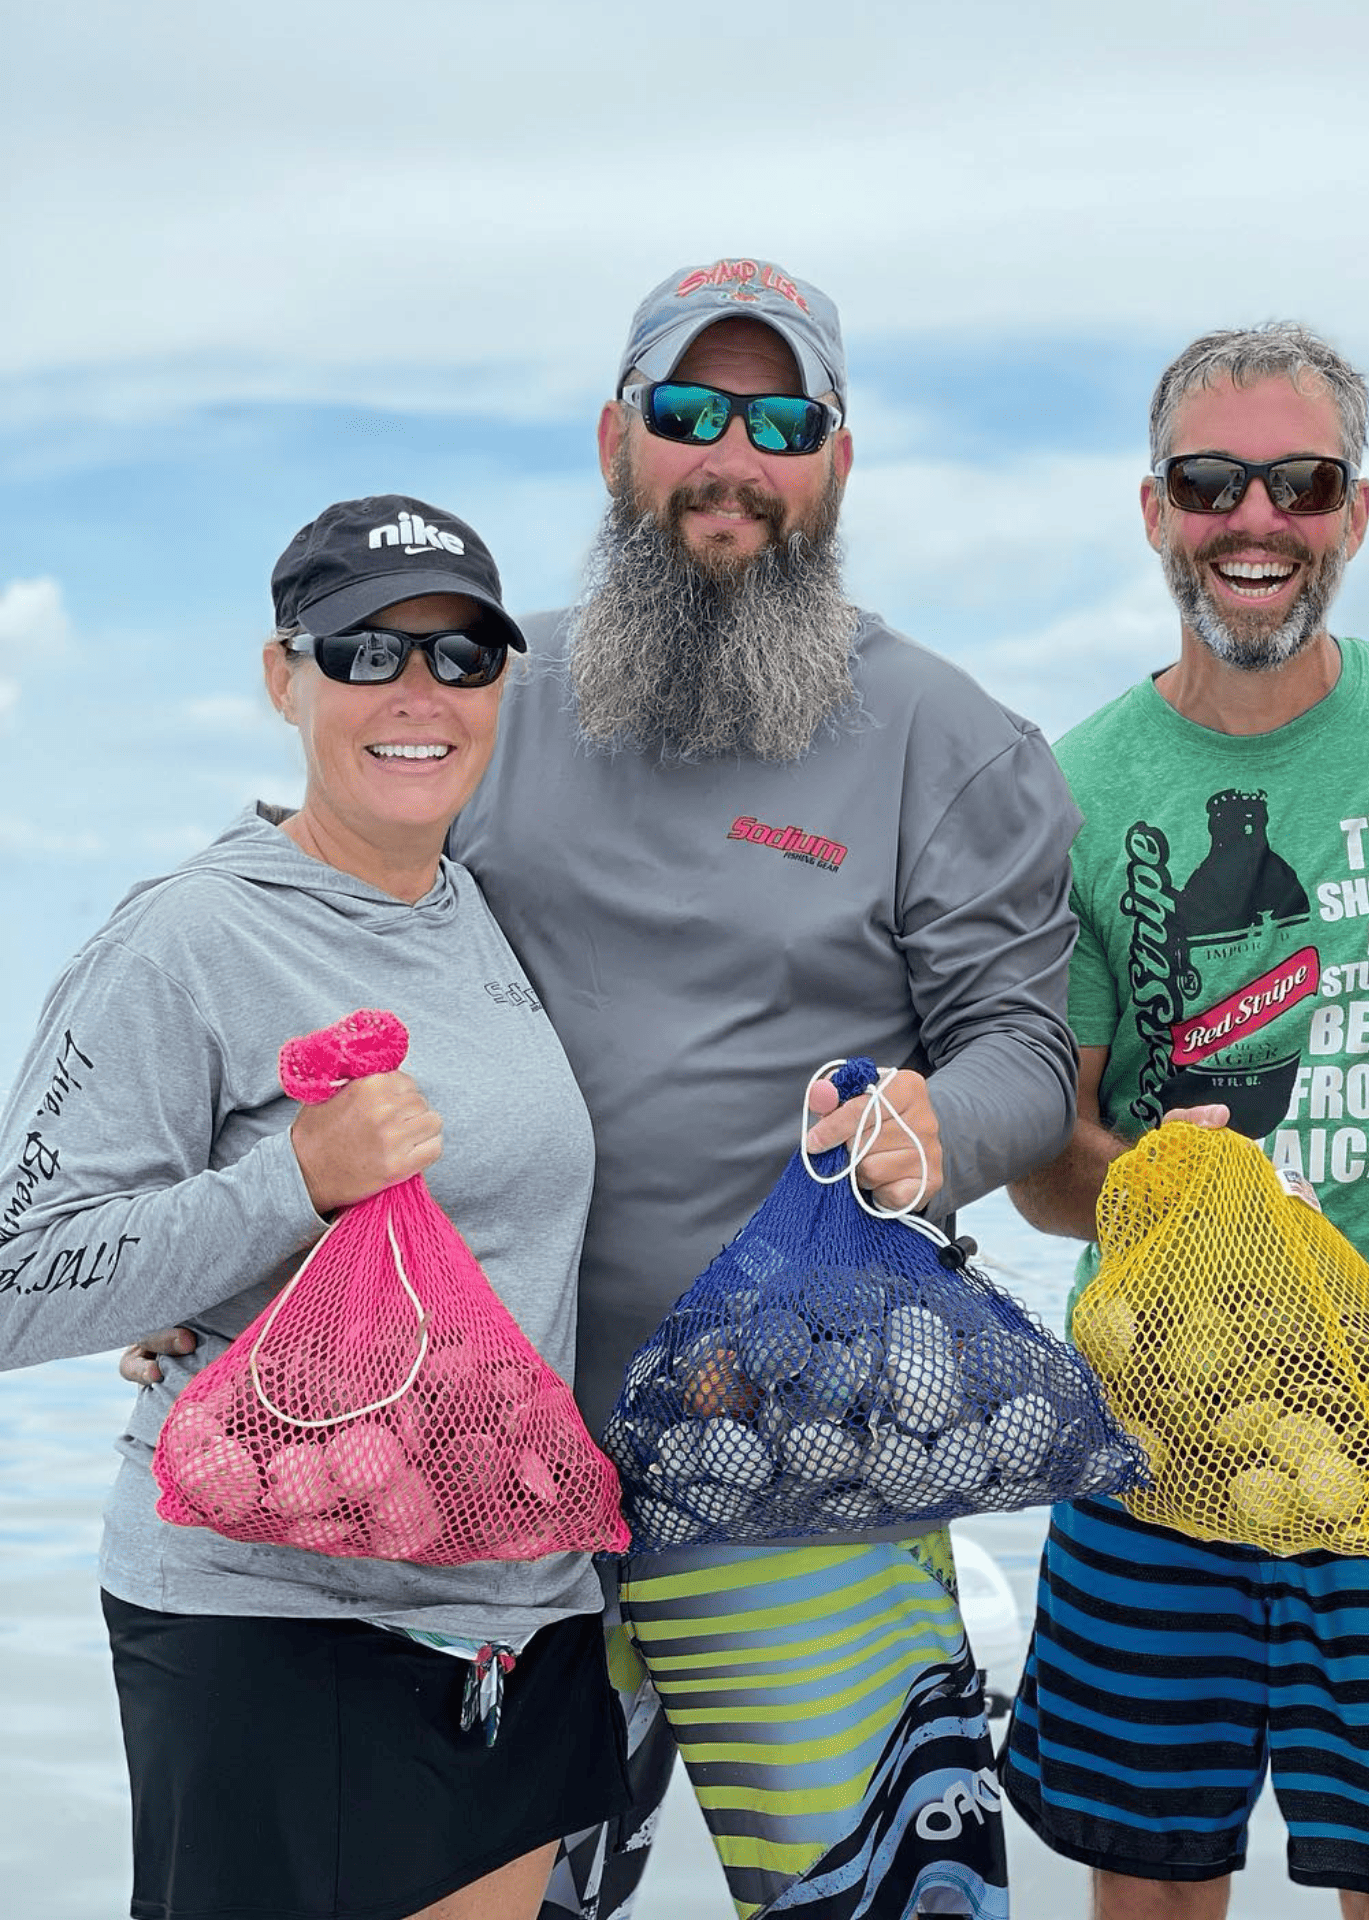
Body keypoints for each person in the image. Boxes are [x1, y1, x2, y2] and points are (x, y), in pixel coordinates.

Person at [448, 259, 1082, 1920]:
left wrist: (944, 1129)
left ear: (839, 463)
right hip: (485, 1485)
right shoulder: (477, 707)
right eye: (690, 411)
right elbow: (310, 955)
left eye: (783, 418)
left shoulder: (951, 739)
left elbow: (1021, 1049)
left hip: (801, 1462)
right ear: (615, 440)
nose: (734, 454)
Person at [0, 496, 630, 1920]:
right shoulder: (190, 935)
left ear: (502, 689)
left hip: (509, 1625)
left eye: (464, 655)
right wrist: (287, 1184)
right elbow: (15, 1279)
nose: (420, 693)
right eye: (364, 651)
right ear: (283, 678)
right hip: (273, 1623)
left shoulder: (471, 907)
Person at [1000, 322, 1369, 1920]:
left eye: (1297, 483)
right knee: (1152, 1886)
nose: (1255, 519)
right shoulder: (1075, 785)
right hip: (1153, 1447)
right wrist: (1190, 1201)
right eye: (1210, 482)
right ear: (1154, 510)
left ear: (1355, 514)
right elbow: (1044, 1165)